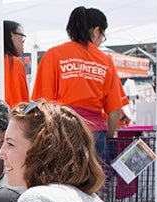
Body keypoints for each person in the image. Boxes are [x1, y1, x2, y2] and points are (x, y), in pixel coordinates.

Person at [31, 6, 128, 161]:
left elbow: (42, 102)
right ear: (96, 31)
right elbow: (115, 110)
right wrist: (108, 137)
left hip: (62, 129)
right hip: (95, 132)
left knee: (62, 180)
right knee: (93, 182)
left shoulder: (54, 54)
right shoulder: (105, 61)